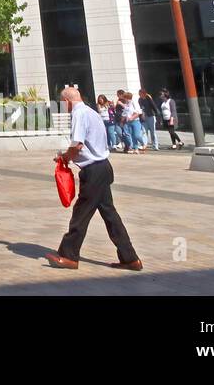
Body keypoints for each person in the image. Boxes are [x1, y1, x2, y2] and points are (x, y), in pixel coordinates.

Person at [46, 87, 142, 271]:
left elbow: (78, 144)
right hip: (103, 167)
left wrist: (65, 157)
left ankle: (69, 256)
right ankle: (130, 258)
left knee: (80, 214)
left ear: (66, 102)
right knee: (110, 216)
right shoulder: (92, 112)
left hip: (93, 171)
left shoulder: (79, 114)